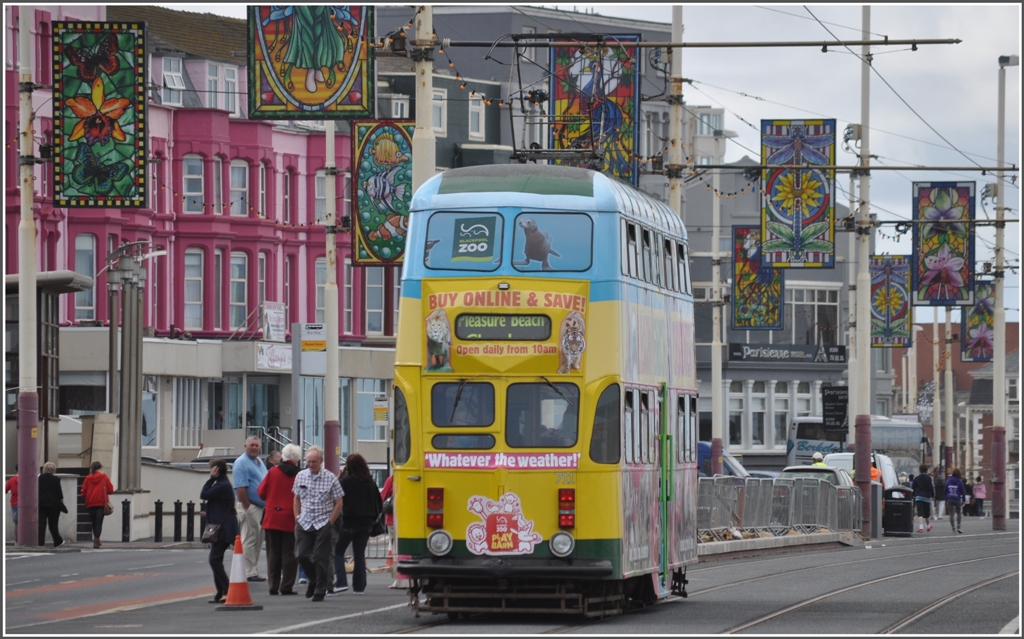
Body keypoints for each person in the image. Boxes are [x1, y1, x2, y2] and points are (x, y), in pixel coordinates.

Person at [293, 446, 344, 602]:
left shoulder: (330, 478)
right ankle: (313, 579)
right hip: (305, 521)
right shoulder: (301, 476)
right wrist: (297, 517)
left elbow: (339, 502)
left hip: (323, 522)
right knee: (301, 555)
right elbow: (296, 498)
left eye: (314, 462)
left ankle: (320, 589)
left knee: (321, 558)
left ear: (321, 461)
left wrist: (330, 523)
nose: (311, 464)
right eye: (308, 461)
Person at [334, 453, 383, 595]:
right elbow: (378, 503)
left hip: (349, 522)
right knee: (359, 554)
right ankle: (359, 587)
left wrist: (340, 476)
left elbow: (334, 495)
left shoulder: (346, 481)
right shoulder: (370, 482)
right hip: (366, 523)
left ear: (348, 466)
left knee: (337, 552)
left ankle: (341, 582)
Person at [257, 443, 301, 596]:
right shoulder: (300, 475)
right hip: (291, 518)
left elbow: (261, 493)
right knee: (289, 553)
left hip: (272, 517)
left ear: (283, 456)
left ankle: (273, 585)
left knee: (273, 552)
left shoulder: (272, 472)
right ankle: (287, 585)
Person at [200, 458, 239, 604]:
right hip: (223, 527)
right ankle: (220, 593)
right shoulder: (223, 484)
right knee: (217, 560)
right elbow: (218, 504)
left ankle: (227, 590)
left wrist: (210, 479)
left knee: (214, 559)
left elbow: (204, 494)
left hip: (224, 529)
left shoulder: (221, 485)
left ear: (215, 470)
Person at [233, 436, 268, 581]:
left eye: (256, 445)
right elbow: (240, 488)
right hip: (250, 506)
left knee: (258, 539)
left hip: (261, 507)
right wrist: (247, 507)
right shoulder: (241, 463)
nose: (254, 448)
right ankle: (249, 572)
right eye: (251, 445)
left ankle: (253, 569)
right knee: (249, 538)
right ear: (245, 446)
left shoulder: (260, 462)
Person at [80, 461, 114, 548]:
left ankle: (96, 540)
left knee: (94, 522)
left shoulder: (87, 478)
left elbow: (83, 493)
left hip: (90, 503)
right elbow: (110, 490)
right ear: (100, 468)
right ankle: (96, 539)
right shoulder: (104, 477)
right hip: (101, 503)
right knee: (99, 522)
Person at [38, 462, 67, 548]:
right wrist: (62, 502)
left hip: (41, 504)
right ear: (54, 470)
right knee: (53, 525)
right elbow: (59, 493)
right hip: (54, 505)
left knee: (41, 524)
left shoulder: (40, 478)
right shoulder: (56, 479)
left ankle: (40, 542)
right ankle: (57, 541)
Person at [910, 463, 935, 533]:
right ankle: (928, 525)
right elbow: (931, 487)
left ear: (919, 470)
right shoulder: (928, 478)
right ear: (926, 470)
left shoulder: (916, 478)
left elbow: (913, 488)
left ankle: (921, 526)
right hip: (926, 497)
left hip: (918, 497)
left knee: (920, 512)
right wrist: (932, 496)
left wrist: (914, 495)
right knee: (927, 513)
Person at [944, 467, 967, 534]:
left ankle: (953, 528)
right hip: (957, 498)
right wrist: (963, 500)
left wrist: (946, 498)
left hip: (950, 498)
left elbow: (945, 490)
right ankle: (958, 526)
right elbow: (963, 491)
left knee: (951, 514)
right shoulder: (959, 481)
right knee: (959, 513)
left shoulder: (948, 480)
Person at [5, 464, 18, 544]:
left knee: (17, 523)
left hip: (15, 503)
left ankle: (17, 541)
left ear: (16, 470)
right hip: (28, 504)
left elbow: (5, 490)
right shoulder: (27, 479)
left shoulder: (12, 480)